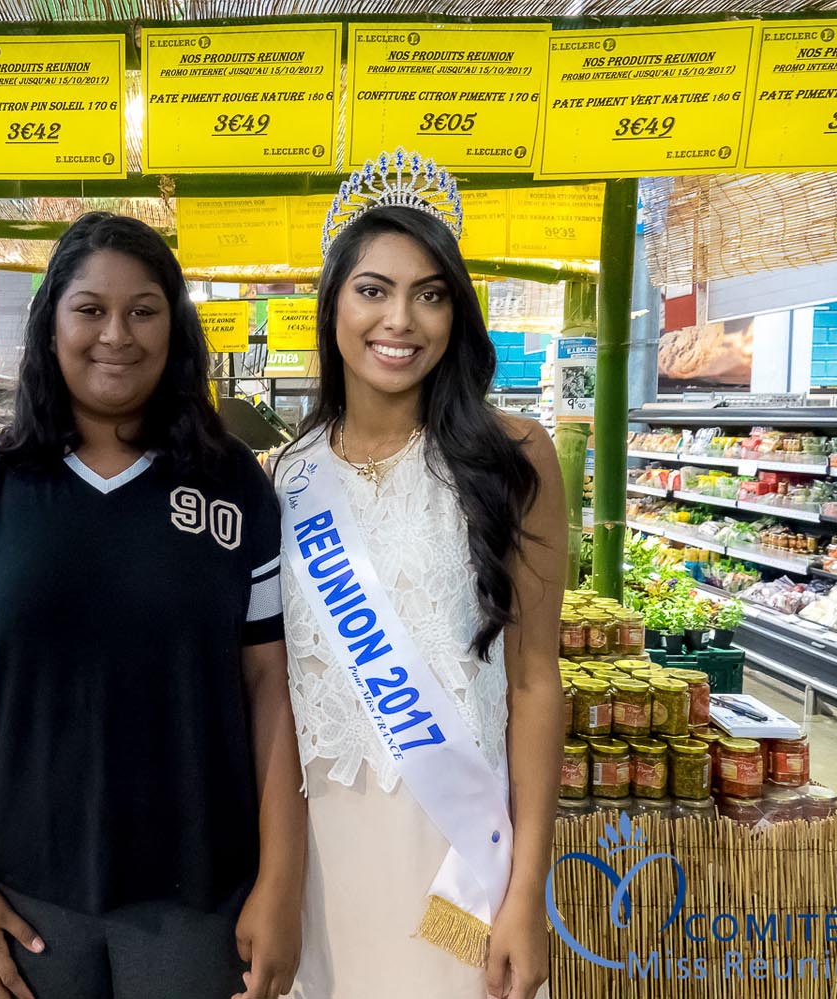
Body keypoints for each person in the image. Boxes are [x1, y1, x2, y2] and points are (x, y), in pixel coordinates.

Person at [0, 212, 305, 999]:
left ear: (176, 329)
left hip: (200, 894)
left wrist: (281, 880)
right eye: (90, 309)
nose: (115, 333)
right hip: (24, 893)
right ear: (51, 324)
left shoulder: (235, 486)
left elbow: (272, 686)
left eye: (143, 310)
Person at [275, 153, 565, 999]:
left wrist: (525, 893)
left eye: (430, 293)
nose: (400, 319)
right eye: (372, 289)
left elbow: (537, 683)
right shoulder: (285, 477)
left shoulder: (513, 459)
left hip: (458, 854)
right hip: (320, 851)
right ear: (332, 305)